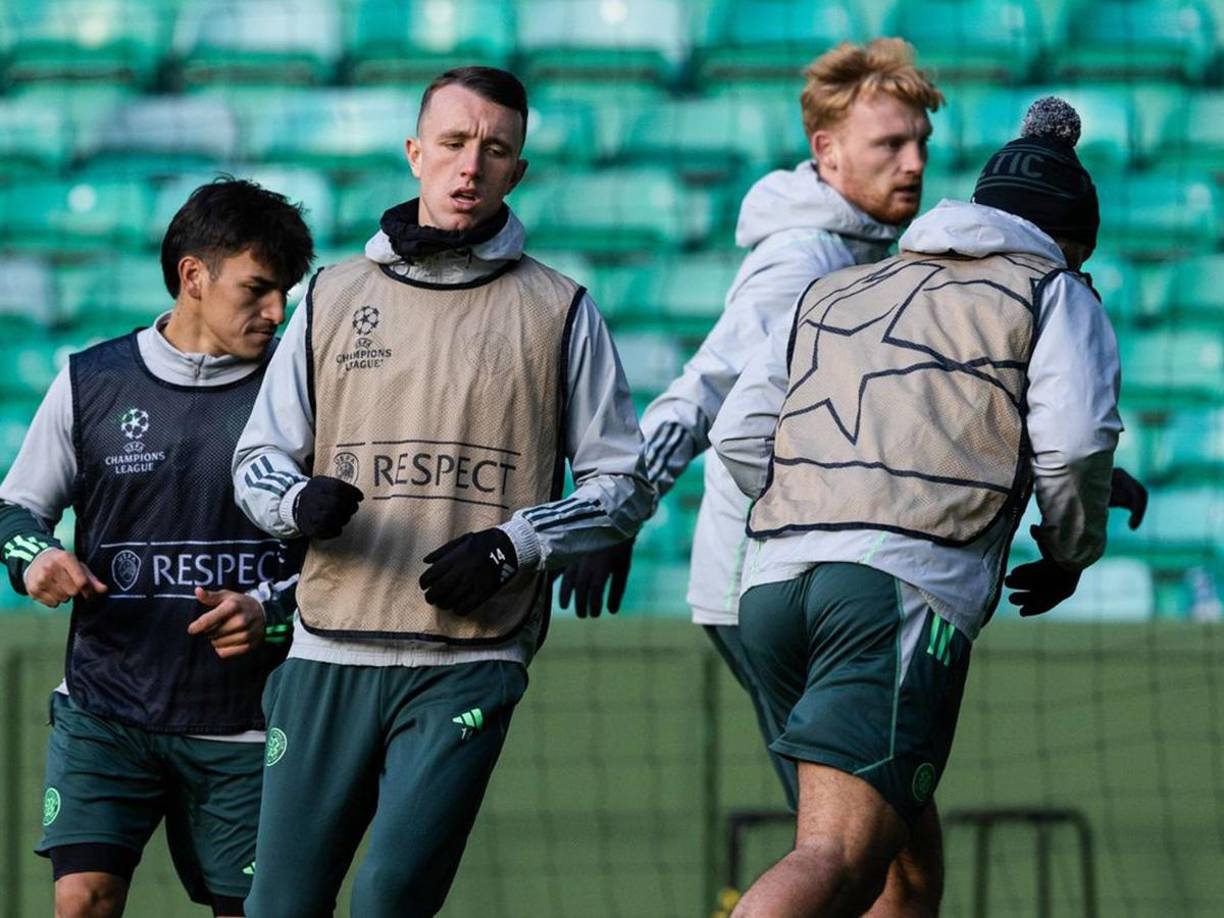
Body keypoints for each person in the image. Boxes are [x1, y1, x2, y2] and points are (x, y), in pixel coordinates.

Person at [232, 66, 653, 918]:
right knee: (280, 905)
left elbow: (623, 485)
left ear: (517, 170)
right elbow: (257, 459)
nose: (471, 166)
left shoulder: (561, 308)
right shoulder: (331, 295)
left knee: (391, 896)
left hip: (469, 659)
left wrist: (516, 544)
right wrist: (294, 502)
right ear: (415, 152)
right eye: (455, 143)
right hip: (328, 649)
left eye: (495, 150)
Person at [561, 38, 951, 912]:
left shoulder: (872, 254)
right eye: (891, 143)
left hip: (813, 576)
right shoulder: (802, 260)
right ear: (827, 151)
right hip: (768, 585)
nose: (914, 162)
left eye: (921, 142)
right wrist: (614, 512)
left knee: (901, 853)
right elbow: (704, 387)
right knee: (858, 855)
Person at [708, 97, 1121, 917]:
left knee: (905, 860)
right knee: (836, 858)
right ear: (1072, 240)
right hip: (891, 591)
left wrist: (820, 507)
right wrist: (1070, 549)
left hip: (770, 589)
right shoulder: (1055, 289)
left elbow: (737, 435)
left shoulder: (836, 289)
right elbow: (1076, 443)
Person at [0, 178, 314, 917]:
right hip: (106, 710)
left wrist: (269, 614)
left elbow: (346, 558)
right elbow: (14, 509)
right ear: (193, 276)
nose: (276, 312)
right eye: (258, 289)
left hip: (247, 724)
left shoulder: (301, 395)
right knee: (83, 899)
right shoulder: (91, 380)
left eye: (285, 293)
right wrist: (35, 558)